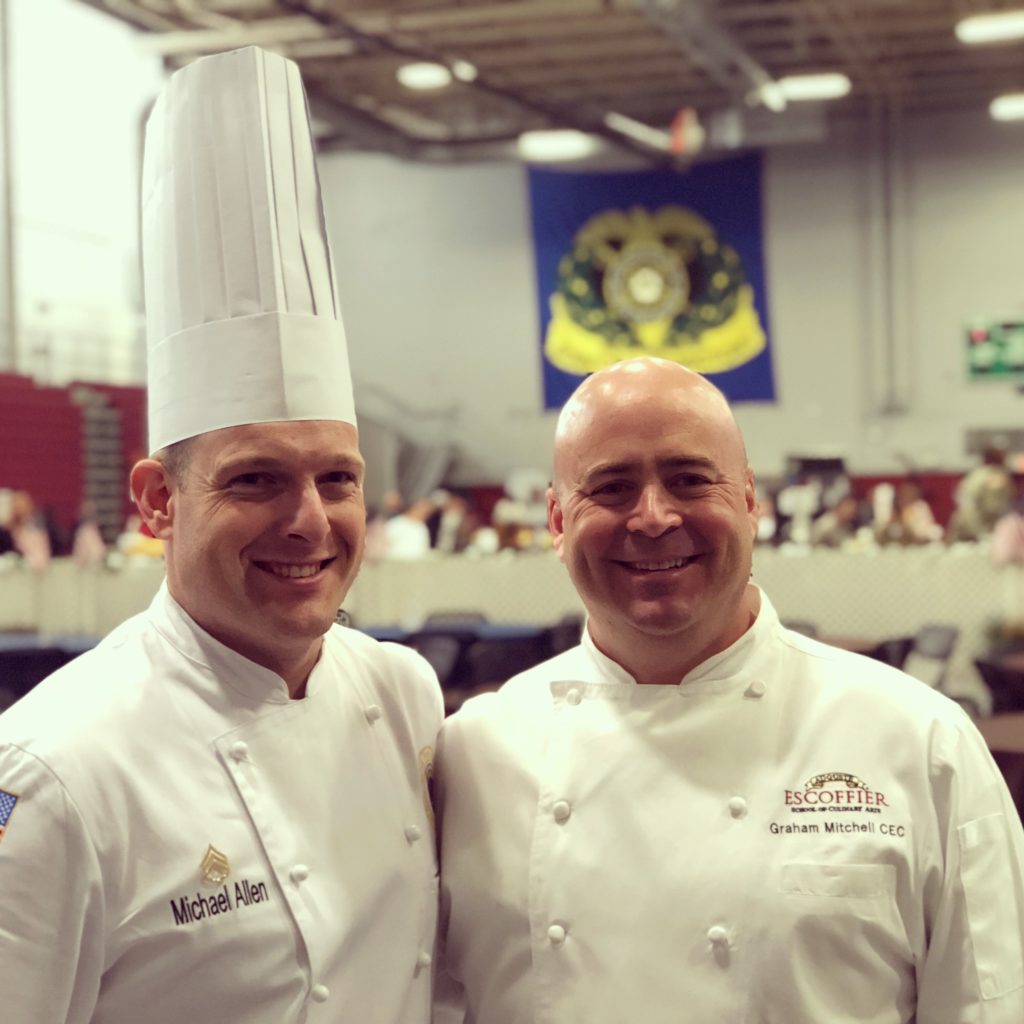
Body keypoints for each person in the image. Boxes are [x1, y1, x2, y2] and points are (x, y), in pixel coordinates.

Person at [0, 48, 443, 1024]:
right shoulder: (54, 770)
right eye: (256, 479)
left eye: (338, 478)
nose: (309, 521)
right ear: (157, 500)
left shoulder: (401, 696)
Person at [435, 357, 1024, 1023]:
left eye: (689, 480)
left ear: (749, 502)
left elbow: (988, 1005)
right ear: (557, 520)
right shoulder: (473, 752)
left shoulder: (919, 741)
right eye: (611, 488)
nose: (653, 517)